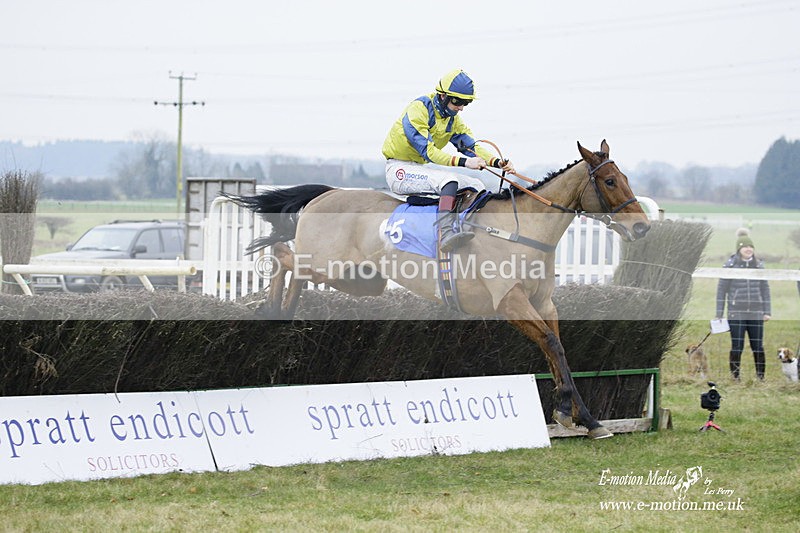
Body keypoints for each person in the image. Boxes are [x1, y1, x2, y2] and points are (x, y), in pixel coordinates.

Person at [382, 68, 515, 252]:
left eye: (465, 103)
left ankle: (473, 231)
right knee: (449, 180)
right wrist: (464, 163)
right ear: (443, 95)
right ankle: (446, 234)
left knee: (477, 185)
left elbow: (471, 147)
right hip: (399, 170)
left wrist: (496, 162)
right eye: (457, 101)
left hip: (419, 169)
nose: (460, 107)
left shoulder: (453, 120)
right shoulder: (419, 109)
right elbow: (428, 151)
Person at [715, 228, 772, 381]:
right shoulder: (730, 266)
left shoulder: (759, 266)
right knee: (737, 346)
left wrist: (767, 311)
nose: (748, 249)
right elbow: (721, 290)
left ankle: (760, 377)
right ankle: (735, 377)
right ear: (739, 249)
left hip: (756, 312)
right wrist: (719, 314)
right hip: (736, 312)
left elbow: (765, 289)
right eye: (745, 247)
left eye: (751, 247)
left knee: (758, 346)